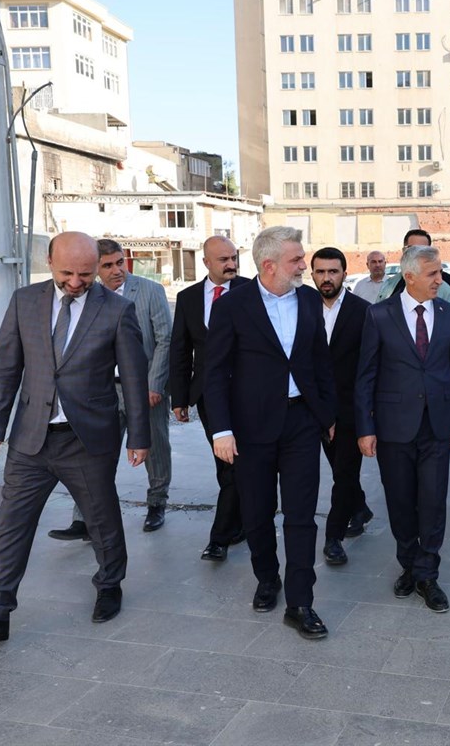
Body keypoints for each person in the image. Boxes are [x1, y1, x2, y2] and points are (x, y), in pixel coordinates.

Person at [0, 232, 149, 644]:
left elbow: (135, 380)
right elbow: (5, 368)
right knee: (10, 526)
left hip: (87, 439)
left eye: (86, 274)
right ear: (50, 261)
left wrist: (138, 437)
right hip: (31, 437)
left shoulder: (118, 311)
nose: (75, 282)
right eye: (67, 273)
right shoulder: (25, 301)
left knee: (102, 519)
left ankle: (109, 585)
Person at [204, 226, 337, 640]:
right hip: (249, 429)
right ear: (269, 265)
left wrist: (326, 413)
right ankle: (267, 577)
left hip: (301, 423)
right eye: (297, 260)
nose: (305, 266)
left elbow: (320, 360)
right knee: (257, 512)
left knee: (301, 515)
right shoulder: (233, 305)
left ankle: (301, 603)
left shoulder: (312, 300)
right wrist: (221, 430)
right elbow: (214, 373)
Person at [356, 245, 450, 613]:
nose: (440, 280)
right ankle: (408, 563)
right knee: (401, 500)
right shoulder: (379, 315)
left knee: (433, 501)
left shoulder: (449, 314)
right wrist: (365, 427)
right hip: (393, 427)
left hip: (437, 424)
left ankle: (427, 573)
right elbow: (366, 376)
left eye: (439, 273)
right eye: (433, 274)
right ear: (410, 276)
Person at [48, 239, 171, 540]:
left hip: (144, 390)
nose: (117, 270)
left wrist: (153, 384)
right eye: (108, 265)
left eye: (120, 262)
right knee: (95, 456)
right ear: (94, 269)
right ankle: (85, 519)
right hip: (102, 393)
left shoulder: (150, 291)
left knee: (154, 449)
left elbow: (165, 339)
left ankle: (156, 503)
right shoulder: (85, 297)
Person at [169, 235, 250, 562]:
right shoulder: (188, 298)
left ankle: (220, 536)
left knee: (236, 465)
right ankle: (240, 521)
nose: (231, 264)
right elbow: (180, 349)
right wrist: (180, 397)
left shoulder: (250, 290)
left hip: (247, 393)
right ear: (206, 262)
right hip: (208, 395)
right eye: (223, 259)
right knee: (226, 464)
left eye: (234, 257)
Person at [311, 246, 374, 566]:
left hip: (350, 411)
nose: (326, 278)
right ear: (312, 274)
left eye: (332, 271)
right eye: (320, 272)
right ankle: (360, 507)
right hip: (312, 410)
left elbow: (370, 366)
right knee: (341, 470)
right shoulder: (300, 307)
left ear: (344, 274)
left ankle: (333, 538)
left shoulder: (364, 311)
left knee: (344, 473)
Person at [376, 229, 450, 302]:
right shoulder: (389, 284)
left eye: (423, 250)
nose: (417, 253)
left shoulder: (446, 284)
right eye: (413, 249)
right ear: (404, 251)